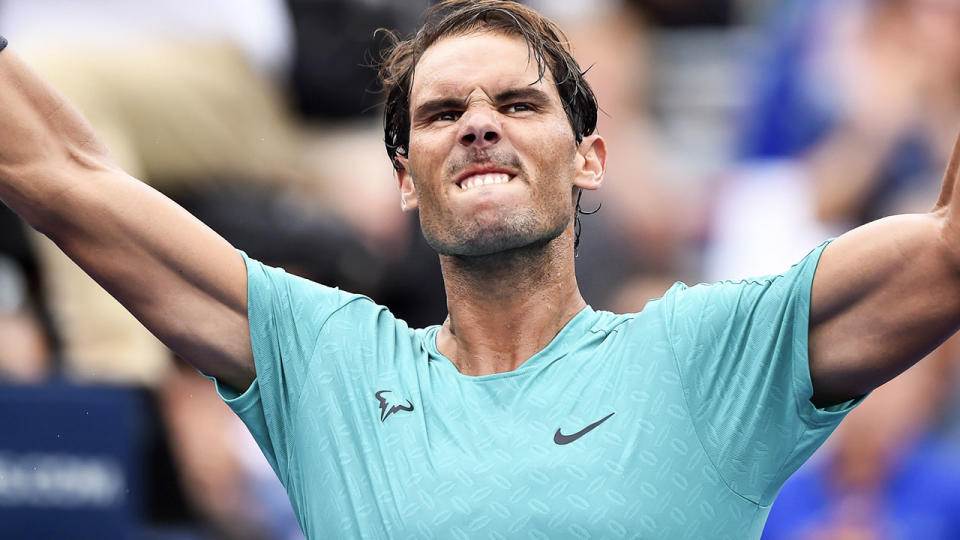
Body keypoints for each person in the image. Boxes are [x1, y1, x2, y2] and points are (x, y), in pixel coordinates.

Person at [2, 0, 960, 537]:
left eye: (517, 102)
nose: (476, 123)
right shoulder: (324, 362)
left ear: (590, 157)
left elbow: (948, 253)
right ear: (407, 181)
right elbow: (59, 172)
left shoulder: (710, 354)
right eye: (438, 113)